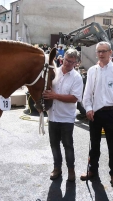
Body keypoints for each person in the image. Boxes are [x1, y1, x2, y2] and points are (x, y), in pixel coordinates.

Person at [80, 41, 113, 188]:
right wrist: (88, 109)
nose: (101, 54)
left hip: (112, 113)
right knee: (94, 145)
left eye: (104, 51)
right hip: (96, 114)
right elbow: (87, 93)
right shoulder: (92, 70)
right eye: (99, 51)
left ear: (110, 52)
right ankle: (92, 169)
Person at [42, 48, 83, 182]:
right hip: (53, 116)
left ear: (76, 63)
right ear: (62, 58)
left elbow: (74, 98)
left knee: (68, 145)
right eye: (66, 60)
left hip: (66, 118)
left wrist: (55, 96)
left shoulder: (77, 78)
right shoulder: (54, 71)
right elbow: (46, 89)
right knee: (54, 145)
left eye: (71, 62)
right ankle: (57, 168)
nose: (67, 64)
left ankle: (71, 170)